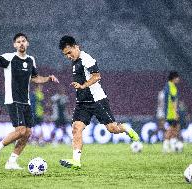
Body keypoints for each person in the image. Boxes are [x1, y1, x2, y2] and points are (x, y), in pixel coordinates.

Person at [0, 33, 59, 169]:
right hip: (13, 100)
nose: (21, 43)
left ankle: (11, 161)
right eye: (18, 42)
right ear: (15, 45)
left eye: (23, 41)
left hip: (26, 102)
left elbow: (35, 78)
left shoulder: (31, 60)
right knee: (20, 131)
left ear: (27, 43)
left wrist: (48, 78)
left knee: (28, 133)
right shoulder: (10, 58)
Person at [58, 35, 140, 169]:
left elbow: (97, 76)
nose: (68, 56)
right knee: (76, 128)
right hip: (82, 103)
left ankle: (125, 128)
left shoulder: (87, 59)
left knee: (112, 129)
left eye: (69, 52)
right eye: (65, 54)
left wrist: (83, 85)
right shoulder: (75, 61)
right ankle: (76, 161)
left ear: (75, 46)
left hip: (97, 100)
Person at [162, 71, 181, 153]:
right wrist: (175, 112)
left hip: (168, 111)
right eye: (177, 77)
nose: (178, 79)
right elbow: (173, 100)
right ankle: (166, 146)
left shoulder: (167, 85)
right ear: (174, 78)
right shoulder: (171, 86)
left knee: (175, 128)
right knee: (172, 129)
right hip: (171, 112)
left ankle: (171, 145)